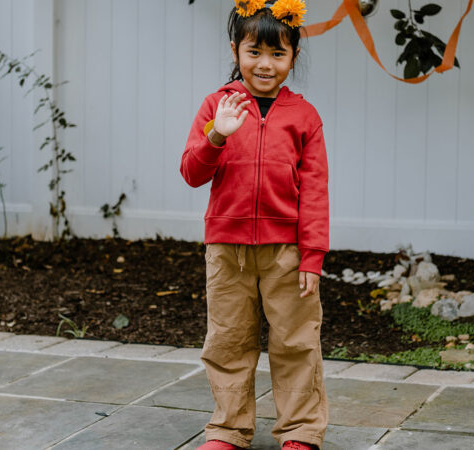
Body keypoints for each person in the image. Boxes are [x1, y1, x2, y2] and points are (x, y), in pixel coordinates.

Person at [180, 1, 329, 449]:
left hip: (287, 252)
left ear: (293, 57)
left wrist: (313, 255)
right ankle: (228, 429)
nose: (265, 64)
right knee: (227, 341)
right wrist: (217, 135)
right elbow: (191, 172)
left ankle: (301, 431)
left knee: (297, 342)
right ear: (236, 50)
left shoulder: (304, 117)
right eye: (254, 52)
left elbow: (317, 192)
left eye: (277, 54)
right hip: (226, 248)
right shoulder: (216, 105)